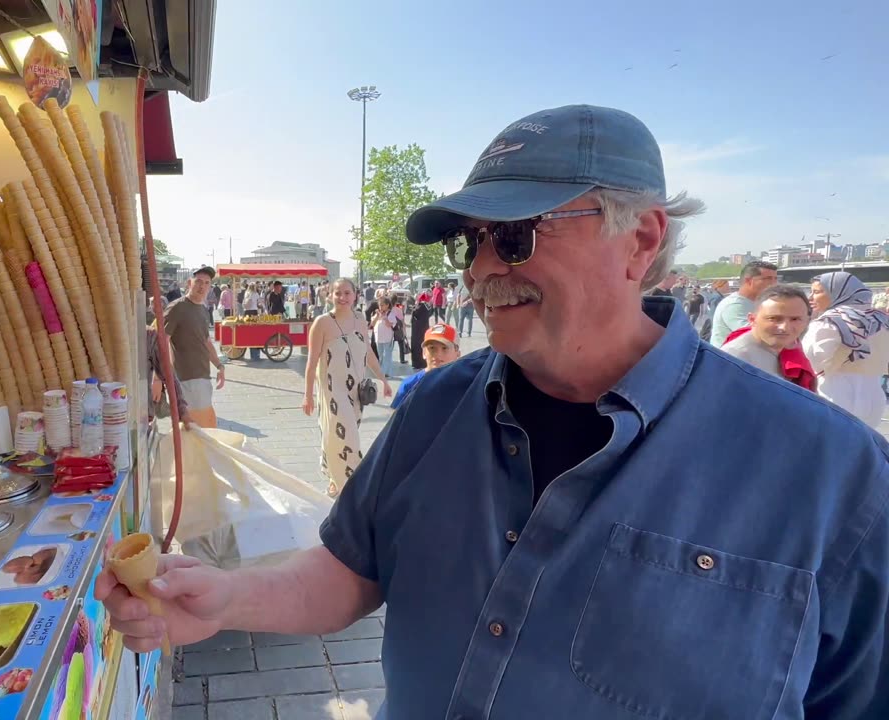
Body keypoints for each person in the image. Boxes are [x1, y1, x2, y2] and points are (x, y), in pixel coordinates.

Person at [99, 104, 889, 718]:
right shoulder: (433, 404)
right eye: (469, 243)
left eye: (512, 236)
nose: (481, 270)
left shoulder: (833, 474)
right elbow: (349, 572)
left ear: (640, 239)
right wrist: (226, 598)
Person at [302, 278, 391, 498]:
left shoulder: (361, 319)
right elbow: (312, 362)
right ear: (329, 295)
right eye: (338, 293)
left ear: (355, 295)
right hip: (333, 390)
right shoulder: (322, 323)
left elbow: (368, 352)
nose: (342, 298)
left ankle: (334, 478)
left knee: (338, 436)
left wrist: (383, 379)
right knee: (348, 435)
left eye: (347, 293)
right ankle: (351, 486)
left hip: (356, 390)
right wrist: (308, 396)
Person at [804, 271, 889, 426]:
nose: (811, 297)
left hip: (834, 392)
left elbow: (814, 361)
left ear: (836, 292)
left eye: (817, 292)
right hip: (874, 394)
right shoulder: (881, 319)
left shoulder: (829, 321)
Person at [720, 284, 815, 390]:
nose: (785, 327)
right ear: (752, 320)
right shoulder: (734, 358)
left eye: (795, 319)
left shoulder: (791, 347)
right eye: (774, 319)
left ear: (807, 321)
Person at [163, 267, 224, 428]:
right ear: (189, 283)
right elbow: (161, 342)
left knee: (202, 429)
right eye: (198, 282)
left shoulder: (203, 310)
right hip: (185, 379)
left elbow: (206, 341)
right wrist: (157, 378)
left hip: (203, 376)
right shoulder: (177, 308)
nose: (202, 286)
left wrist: (219, 365)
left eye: (206, 283)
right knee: (194, 430)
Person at [391, 322, 461, 409]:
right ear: (424, 353)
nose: (438, 354)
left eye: (444, 348)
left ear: (457, 353)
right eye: (432, 348)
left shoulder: (466, 385)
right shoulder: (409, 385)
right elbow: (395, 419)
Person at [710, 261, 778, 345]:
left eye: (775, 278)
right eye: (768, 279)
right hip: (729, 357)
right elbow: (755, 335)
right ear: (749, 281)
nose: (774, 283)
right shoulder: (734, 305)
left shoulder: (760, 303)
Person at [370, 297, 397, 378]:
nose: (380, 307)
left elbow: (390, 325)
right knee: (381, 355)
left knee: (387, 355)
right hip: (379, 338)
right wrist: (377, 316)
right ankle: (383, 371)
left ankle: (385, 372)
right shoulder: (377, 314)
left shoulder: (390, 314)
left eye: (382, 305)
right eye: (379, 305)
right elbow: (372, 324)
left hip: (387, 338)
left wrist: (385, 318)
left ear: (387, 305)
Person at [409, 293, 432, 369]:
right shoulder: (427, 306)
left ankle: (417, 364)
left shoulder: (421, 306)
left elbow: (416, 315)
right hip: (424, 328)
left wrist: (414, 308)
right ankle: (422, 363)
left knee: (417, 346)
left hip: (417, 330)